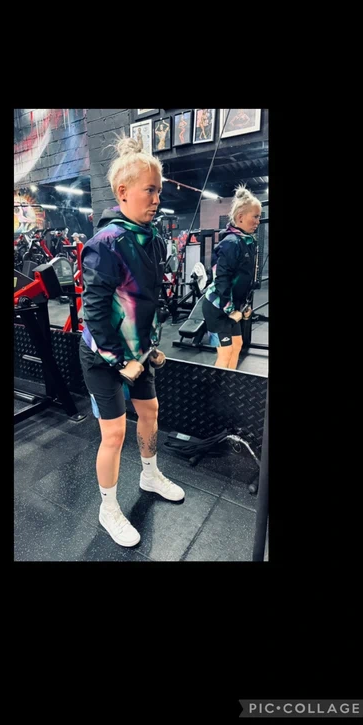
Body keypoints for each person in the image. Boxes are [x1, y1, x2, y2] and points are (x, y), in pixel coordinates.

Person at [79, 136, 185, 547]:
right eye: (150, 190)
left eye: (159, 191)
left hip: (137, 353)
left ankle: (150, 474)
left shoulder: (153, 239)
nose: (157, 199)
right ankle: (107, 508)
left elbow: (147, 303)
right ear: (123, 192)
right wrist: (119, 360)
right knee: (113, 434)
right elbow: (94, 314)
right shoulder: (105, 244)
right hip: (102, 354)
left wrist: (150, 346)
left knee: (150, 412)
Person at [202, 185, 261, 370]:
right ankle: (217, 388)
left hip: (231, 306)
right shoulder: (230, 243)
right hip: (216, 307)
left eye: (259, 217)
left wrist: (244, 306)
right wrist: (230, 310)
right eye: (255, 216)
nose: (258, 221)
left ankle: (229, 384)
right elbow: (222, 280)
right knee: (225, 352)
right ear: (240, 217)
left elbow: (244, 279)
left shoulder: (248, 242)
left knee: (237, 345)